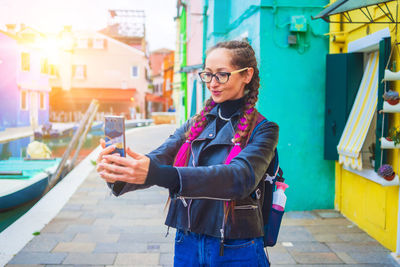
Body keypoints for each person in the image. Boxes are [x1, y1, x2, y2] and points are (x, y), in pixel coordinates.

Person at [96, 40, 279, 267]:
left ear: (247, 75)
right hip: (187, 241)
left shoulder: (265, 130)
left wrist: (160, 174)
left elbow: (239, 177)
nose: (213, 83)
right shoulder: (195, 124)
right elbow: (159, 157)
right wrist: (120, 171)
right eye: (208, 75)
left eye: (222, 75)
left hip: (236, 245)